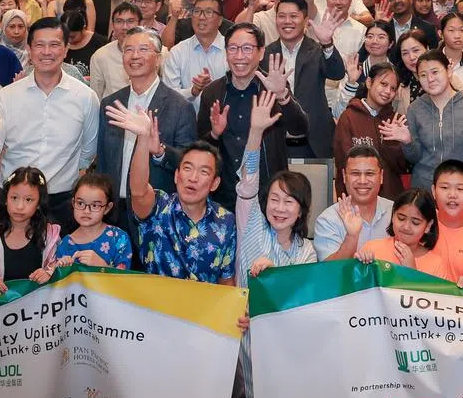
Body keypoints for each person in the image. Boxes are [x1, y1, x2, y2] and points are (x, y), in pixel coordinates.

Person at [232, 90, 317, 398]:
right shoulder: (251, 224)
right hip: (244, 333)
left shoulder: (306, 251)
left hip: (286, 342)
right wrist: (254, 132)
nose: (279, 208)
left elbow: (301, 303)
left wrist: (276, 275)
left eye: (289, 202)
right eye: (275, 200)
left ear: (301, 211)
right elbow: (249, 178)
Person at [0, 18, 100, 228]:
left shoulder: (85, 97)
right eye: (39, 45)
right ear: (30, 50)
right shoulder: (8, 95)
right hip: (14, 199)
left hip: (61, 201)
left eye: (55, 45)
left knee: (59, 260)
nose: (47, 52)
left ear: (66, 49)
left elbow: (88, 153)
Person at [98, 28, 196, 253]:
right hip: (115, 212)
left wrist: (160, 151)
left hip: (158, 214)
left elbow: (187, 161)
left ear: (158, 59)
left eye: (143, 49)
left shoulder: (179, 106)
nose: (134, 56)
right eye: (128, 50)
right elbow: (103, 159)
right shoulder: (111, 104)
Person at [198, 24, 308, 211]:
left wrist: (282, 95)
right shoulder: (212, 92)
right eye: (233, 48)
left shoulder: (273, 87)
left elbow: (300, 128)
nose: (239, 56)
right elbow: (201, 147)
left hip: (268, 196)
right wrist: (215, 135)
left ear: (261, 52)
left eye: (247, 49)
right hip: (224, 196)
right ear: (226, 53)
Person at [123, 112, 236, 284]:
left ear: (214, 183)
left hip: (204, 309)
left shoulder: (226, 221)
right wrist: (143, 139)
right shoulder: (158, 206)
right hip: (154, 307)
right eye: (188, 168)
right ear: (176, 175)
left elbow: (226, 281)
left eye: (203, 172)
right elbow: (138, 192)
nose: (193, 178)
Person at [382, 50, 463, 203]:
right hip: (424, 191)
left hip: (460, 192)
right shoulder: (415, 109)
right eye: (423, 75)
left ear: (448, 70)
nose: (430, 79)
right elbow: (414, 157)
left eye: (435, 72)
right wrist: (407, 142)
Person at [264, 0, 345, 158]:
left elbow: (337, 73)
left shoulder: (317, 50)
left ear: (306, 20)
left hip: (314, 142)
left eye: (293, 16)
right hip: (276, 142)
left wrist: (327, 44)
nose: (287, 21)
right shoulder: (265, 54)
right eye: (281, 16)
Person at [0, 167, 61, 291]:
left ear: (39, 204)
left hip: (41, 307)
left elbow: (60, 267)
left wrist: (49, 273)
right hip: (6, 308)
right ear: (5, 199)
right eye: (14, 198)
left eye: (28, 200)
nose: (20, 206)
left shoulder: (51, 236)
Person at [332, 62, 409, 199]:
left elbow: (402, 167)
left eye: (393, 88)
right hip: (355, 198)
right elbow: (343, 162)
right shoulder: (348, 117)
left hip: (389, 199)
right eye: (383, 84)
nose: (387, 92)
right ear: (369, 82)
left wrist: (391, 142)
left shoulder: (396, 121)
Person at [313, 145, 394, 261]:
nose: (362, 181)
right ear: (344, 176)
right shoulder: (328, 219)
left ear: (381, 176)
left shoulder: (396, 213)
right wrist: (352, 236)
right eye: (355, 174)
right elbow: (330, 270)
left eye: (369, 174)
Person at [355, 188, 452, 281]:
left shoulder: (436, 265)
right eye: (401, 218)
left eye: (415, 222)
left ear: (428, 226)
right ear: (393, 216)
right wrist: (358, 267)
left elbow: (438, 297)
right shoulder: (372, 248)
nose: (406, 227)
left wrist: (412, 273)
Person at [162, 0, 228, 111]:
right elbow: (168, 96)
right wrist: (192, 91)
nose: (201, 17)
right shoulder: (178, 52)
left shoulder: (231, 49)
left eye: (208, 12)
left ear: (220, 20)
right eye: (197, 11)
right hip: (187, 124)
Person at [89, 2, 139, 99]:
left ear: (141, 24)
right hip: (112, 110)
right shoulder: (100, 56)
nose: (125, 27)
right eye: (119, 21)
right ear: (112, 25)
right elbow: (96, 95)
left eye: (130, 21)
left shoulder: (157, 52)